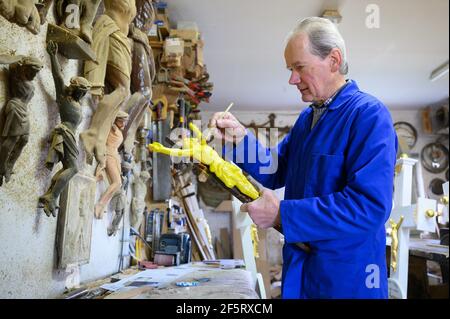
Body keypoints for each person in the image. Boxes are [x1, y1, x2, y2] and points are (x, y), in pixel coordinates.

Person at [209, 17, 398, 299]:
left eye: (299, 67)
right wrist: (240, 139)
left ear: (334, 60)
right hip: (301, 270)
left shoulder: (369, 115)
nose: (292, 79)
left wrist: (282, 214)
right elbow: (276, 168)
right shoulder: (308, 118)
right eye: (290, 69)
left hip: (347, 279)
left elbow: (369, 206)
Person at [39, 41, 91, 217]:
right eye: (82, 91)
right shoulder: (64, 96)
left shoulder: (76, 101)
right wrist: (53, 56)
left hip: (70, 135)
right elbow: (57, 76)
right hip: (65, 132)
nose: (83, 95)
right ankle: (52, 196)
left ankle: (51, 194)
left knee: (71, 168)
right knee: (73, 168)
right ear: (77, 89)